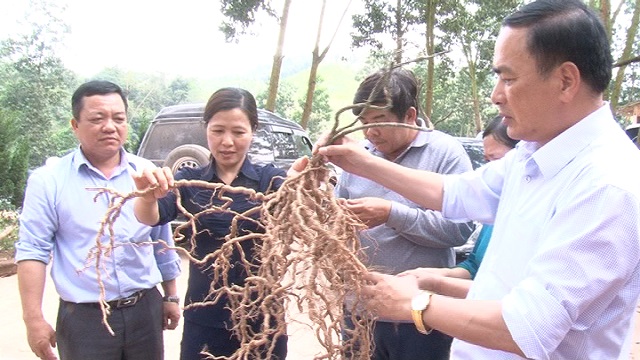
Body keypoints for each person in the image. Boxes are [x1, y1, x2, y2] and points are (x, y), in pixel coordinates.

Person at [309, 0, 640, 358]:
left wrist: (415, 303)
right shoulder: (533, 153)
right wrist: (361, 163)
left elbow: (528, 327)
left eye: (509, 79)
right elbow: (460, 193)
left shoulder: (606, 186)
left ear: (565, 81)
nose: (496, 95)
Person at [15, 80, 182, 360]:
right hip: (84, 319)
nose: (110, 126)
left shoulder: (146, 172)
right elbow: (32, 252)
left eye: (118, 118)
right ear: (75, 125)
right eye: (97, 118)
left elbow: (161, 239)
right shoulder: (48, 182)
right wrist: (33, 320)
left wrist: (171, 295)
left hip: (145, 310)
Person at [132, 87, 288, 359]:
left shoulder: (271, 180)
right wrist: (146, 195)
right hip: (203, 318)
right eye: (218, 131)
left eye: (238, 132)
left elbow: (305, 214)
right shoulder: (191, 181)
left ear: (253, 130)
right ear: (206, 130)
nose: (227, 142)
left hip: (262, 320)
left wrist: (310, 184)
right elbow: (150, 215)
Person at [337, 67, 473, 359]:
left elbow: (459, 231)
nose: (370, 131)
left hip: (422, 314)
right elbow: (337, 223)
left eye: (379, 120)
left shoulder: (445, 153)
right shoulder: (358, 156)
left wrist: (391, 214)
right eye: (364, 121)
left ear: (410, 116)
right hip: (360, 311)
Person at [401, 115, 518, 299]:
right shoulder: (495, 211)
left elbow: (509, 294)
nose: (489, 170)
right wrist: (433, 274)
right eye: (486, 161)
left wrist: (436, 283)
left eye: (496, 160)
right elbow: (473, 266)